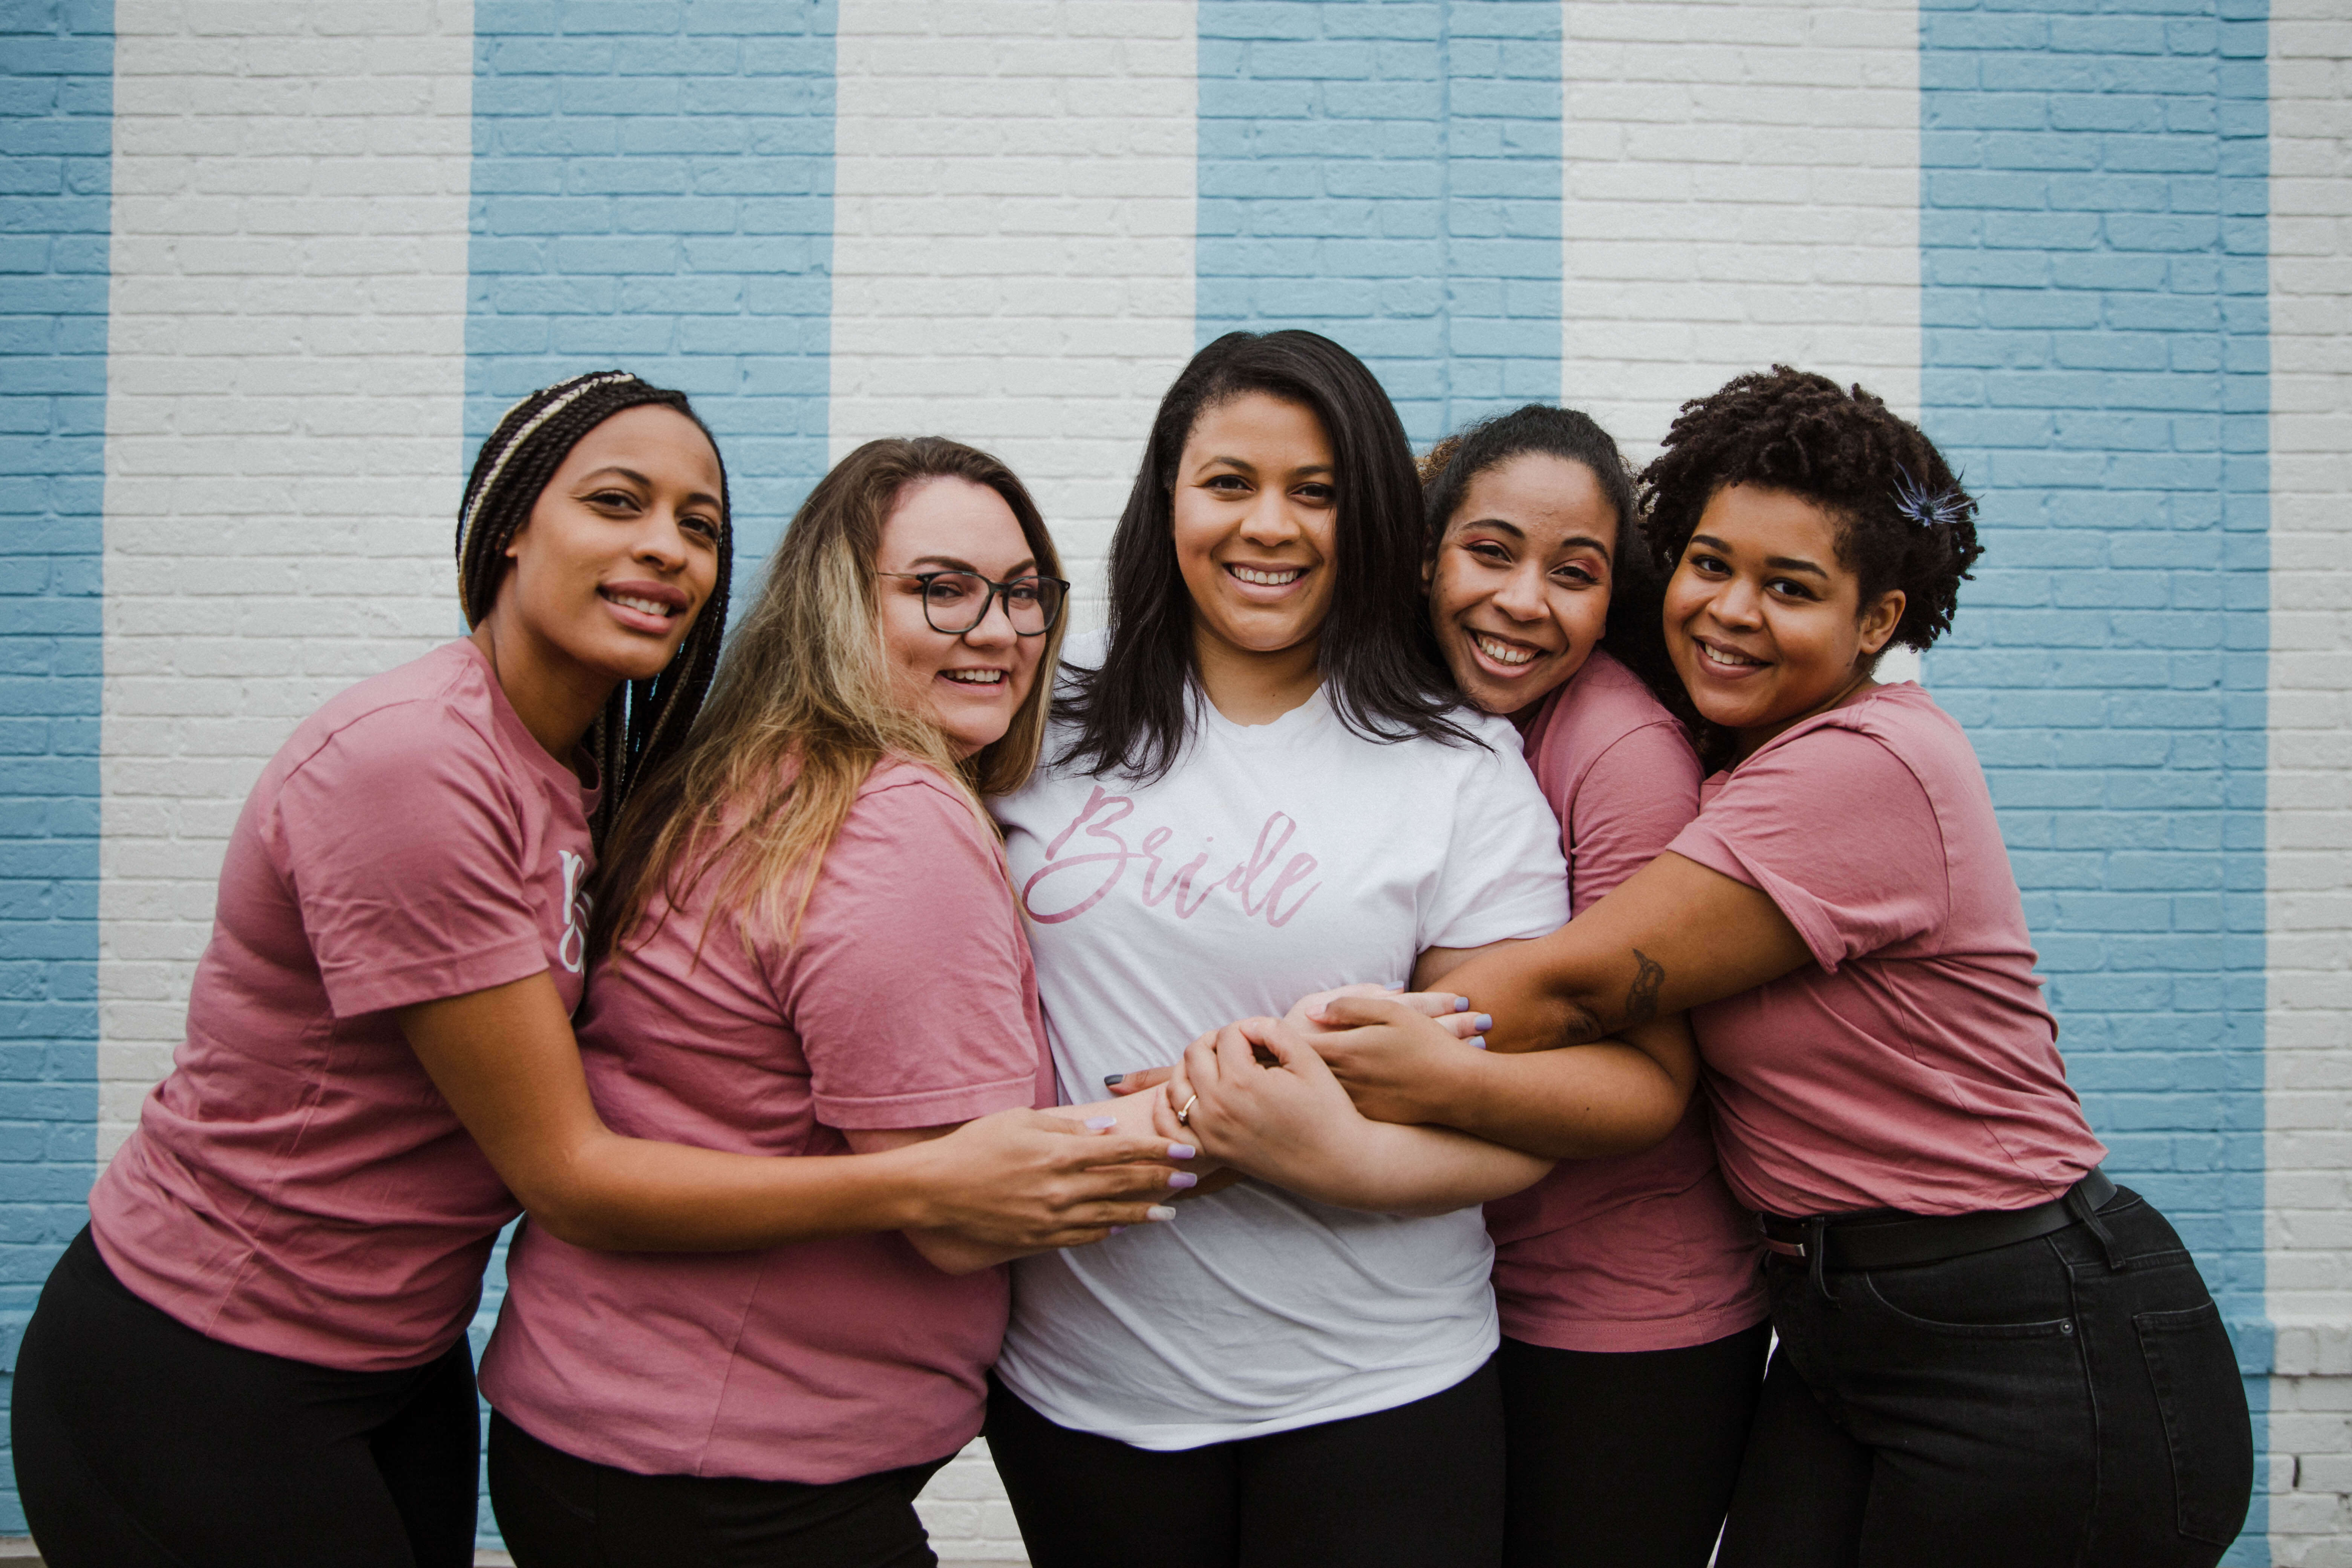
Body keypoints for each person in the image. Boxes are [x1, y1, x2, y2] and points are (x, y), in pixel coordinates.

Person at [12, 375, 1182, 1568]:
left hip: (402, 1358)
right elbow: (570, 1174)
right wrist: (945, 1179)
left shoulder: (600, 769)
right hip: (219, 1353)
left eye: (700, 526)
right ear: (512, 522)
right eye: (617, 503)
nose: (664, 550)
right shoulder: (412, 766)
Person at [1306, 367, 2255, 1566]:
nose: (1730, 611)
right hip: (1843, 1322)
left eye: (1790, 589)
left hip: (2028, 1333)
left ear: (1877, 622)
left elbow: (1574, 988)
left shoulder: (1865, 764)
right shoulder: (1748, 762)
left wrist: (1278, 1046)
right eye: (1711, 566)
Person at [479, 436, 1196, 1568]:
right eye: (943, 591)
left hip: (617, 1444)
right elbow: (963, 1212)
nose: (1002, 633)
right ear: (835, 607)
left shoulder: (748, 771)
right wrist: (1275, 1089)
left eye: (1023, 595)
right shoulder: (893, 819)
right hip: (728, 1479)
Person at [982, 330, 1582, 1568]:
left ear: (1368, 519)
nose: (1272, 526)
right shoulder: (1039, 712)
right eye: (1230, 483)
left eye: (1316, 492)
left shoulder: (1462, 767)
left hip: (1385, 1389)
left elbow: (1514, 1119)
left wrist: (1335, 1154)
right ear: (1166, 500)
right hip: (1085, 1391)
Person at [1415, 405, 1769, 1567]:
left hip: (1624, 1318)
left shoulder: (1620, 751)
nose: (1524, 602)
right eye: (1492, 552)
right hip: (1467, 1293)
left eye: (1575, 574)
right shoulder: (1420, 714)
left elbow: (1623, 1039)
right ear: (1427, 553)